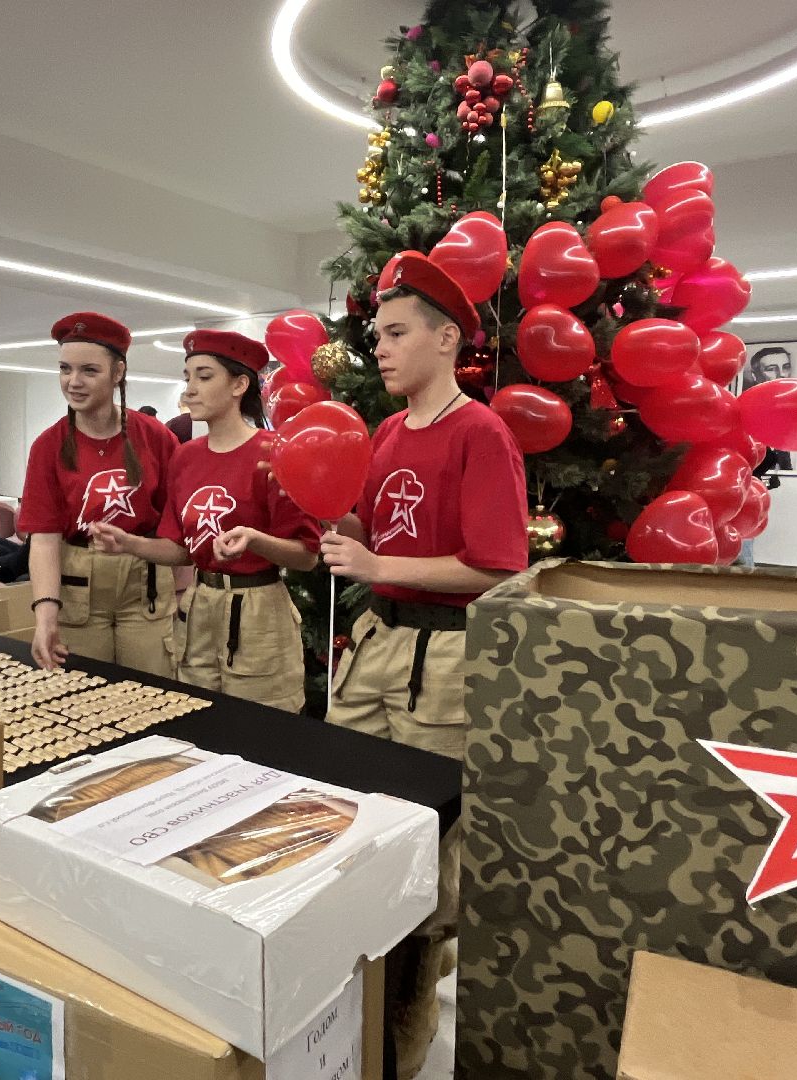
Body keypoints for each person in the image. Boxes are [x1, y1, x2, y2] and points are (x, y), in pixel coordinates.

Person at [319, 252, 528, 1078]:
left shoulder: (481, 433)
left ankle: (400, 1053)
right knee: (348, 818)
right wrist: (332, 520)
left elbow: (497, 567)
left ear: (446, 340)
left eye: (396, 333)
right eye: (377, 334)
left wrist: (378, 566)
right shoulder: (386, 433)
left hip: (441, 660)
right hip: (377, 644)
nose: (379, 348)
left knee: (423, 865)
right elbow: (372, 532)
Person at [94, 330, 318, 711]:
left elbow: (307, 555)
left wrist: (255, 540)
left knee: (261, 720)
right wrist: (130, 544)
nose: (190, 390)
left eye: (204, 376)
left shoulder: (272, 454)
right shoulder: (186, 457)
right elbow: (182, 549)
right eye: (188, 377)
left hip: (258, 609)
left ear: (239, 385)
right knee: (198, 714)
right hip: (199, 605)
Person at [19, 312, 179, 674]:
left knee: (152, 689)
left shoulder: (155, 437)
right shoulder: (48, 446)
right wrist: (45, 615)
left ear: (117, 372)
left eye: (89, 370)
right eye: (65, 369)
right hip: (77, 584)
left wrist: (186, 595)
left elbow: (176, 527)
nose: (73, 381)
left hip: (146, 583)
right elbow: (44, 539)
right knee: (83, 689)